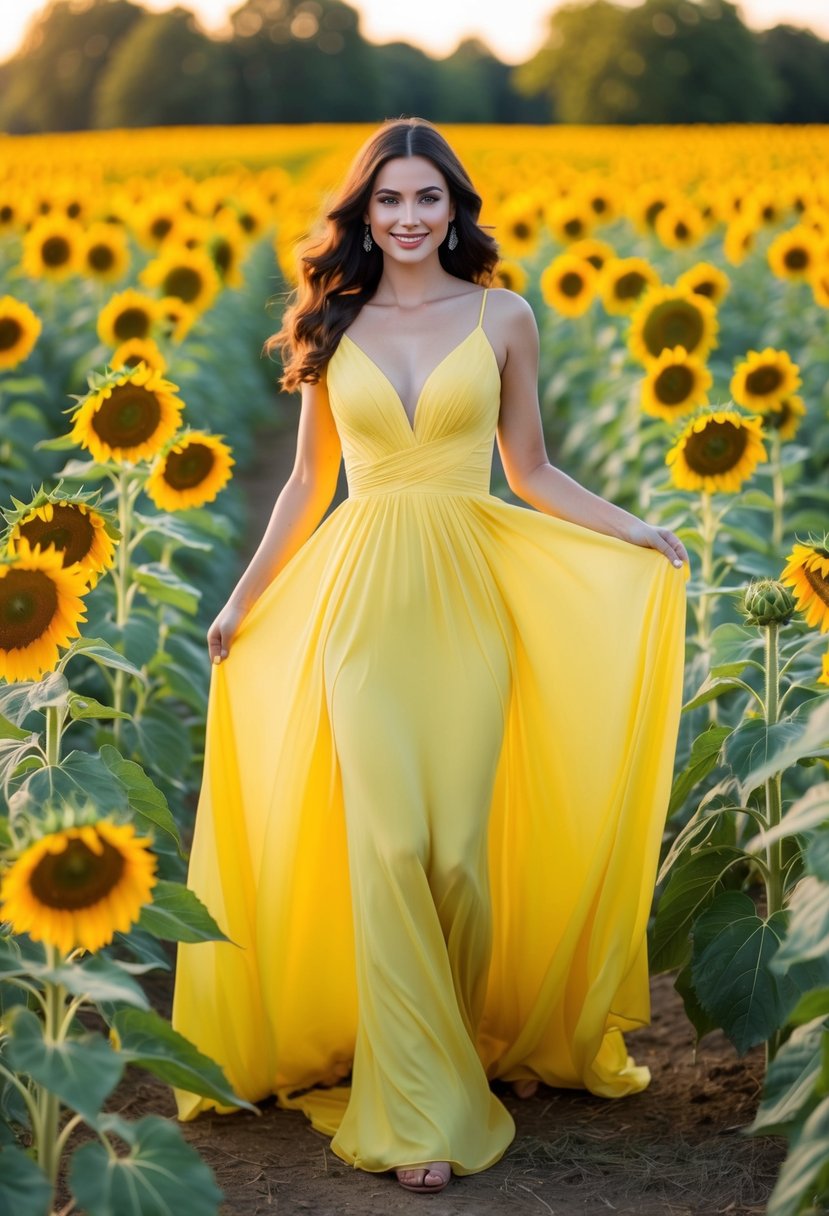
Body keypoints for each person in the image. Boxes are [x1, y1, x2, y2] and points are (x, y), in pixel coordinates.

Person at [170, 116, 690, 1196]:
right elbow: (310, 485)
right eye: (390, 201)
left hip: (466, 600)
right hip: (362, 604)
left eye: (428, 200)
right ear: (362, 215)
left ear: (455, 210)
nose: (409, 219)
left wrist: (632, 529)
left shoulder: (503, 315)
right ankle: (418, 1102)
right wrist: (242, 595)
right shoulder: (332, 321)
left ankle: (453, 1039)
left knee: (456, 854)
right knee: (390, 842)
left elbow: (532, 470)